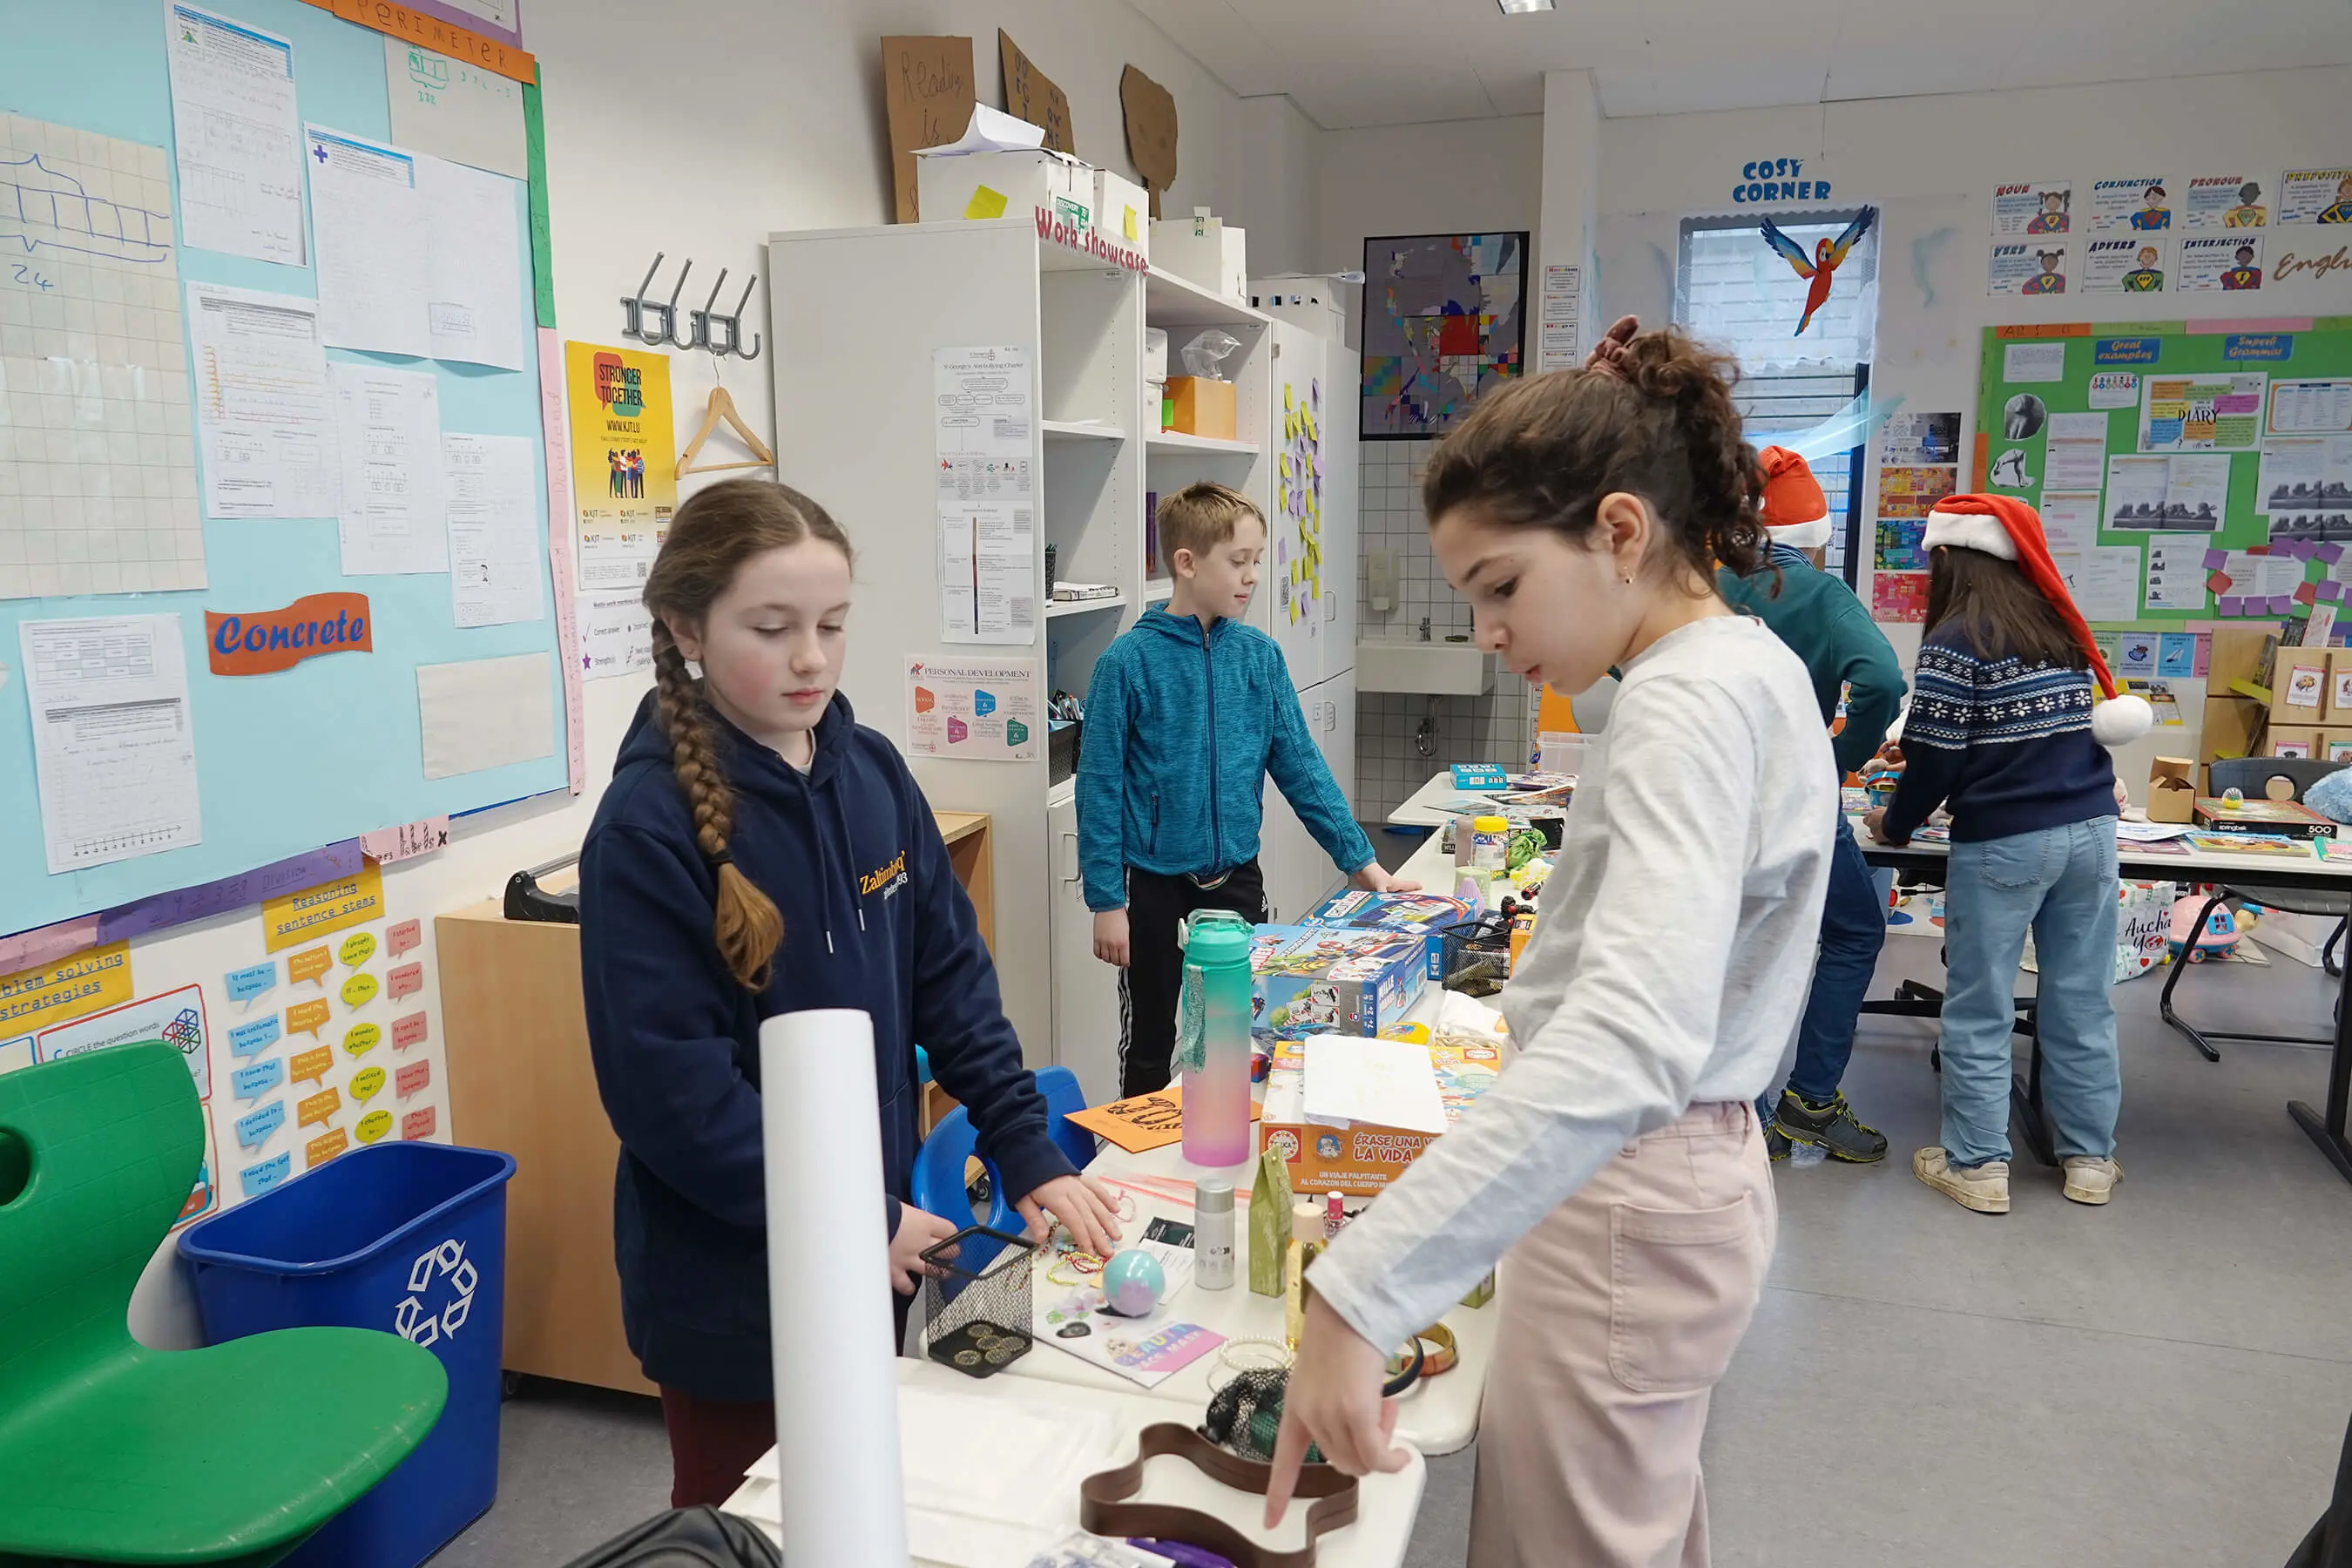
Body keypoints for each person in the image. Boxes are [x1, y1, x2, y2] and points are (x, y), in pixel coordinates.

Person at [1267, 328, 1835, 1566]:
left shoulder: (1685, 704)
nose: (1487, 631)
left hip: (1632, 1187)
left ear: (1620, 531)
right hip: (1674, 1175)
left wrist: (1358, 1294)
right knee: (1622, 1523)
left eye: (1503, 587)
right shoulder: (1740, 665)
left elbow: (1630, 1040)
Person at [578, 478, 1123, 1508]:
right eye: (771, 628)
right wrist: (853, 1219)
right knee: (759, 1522)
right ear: (687, 628)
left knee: (867, 1499)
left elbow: (951, 984)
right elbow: (673, 1102)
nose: (812, 658)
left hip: (866, 1246)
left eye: (831, 625)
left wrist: (1025, 1146)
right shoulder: (646, 831)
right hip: (735, 1284)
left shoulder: (870, 773)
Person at [1079, 481, 1414, 1098]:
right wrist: (1106, 900)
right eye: (1239, 561)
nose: (1253, 575)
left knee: (1235, 1034)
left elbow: (1302, 767)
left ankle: (1227, 1135)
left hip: (1235, 879)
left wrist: (1361, 862)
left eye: (1257, 560)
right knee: (1151, 1041)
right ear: (1187, 562)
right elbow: (1098, 788)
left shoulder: (1260, 657)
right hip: (1150, 884)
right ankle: (1138, 1149)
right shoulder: (1126, 663)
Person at [1866, 493, 2151, 1216]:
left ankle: (1978, 1166)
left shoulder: (1957, 639)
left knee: (1981, 1004)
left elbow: (1936, 758)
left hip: (2006, 841)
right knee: (2082, 1001)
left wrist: (1895, 823)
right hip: (2091, 832)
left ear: (1948, 558)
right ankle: (2090, 1160)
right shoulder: (2055, 627)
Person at [1718, 444, 1908, 1163]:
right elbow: (1882, 681)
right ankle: (1811, 1102)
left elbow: (1620, 654)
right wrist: (1836, 760)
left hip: (1710, 797)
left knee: (1727, 942)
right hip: (1795, 803)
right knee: (1854, 931)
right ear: (1817, 535)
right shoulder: (1823, 596)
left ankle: (1741, 1106)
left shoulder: (1699, 588)